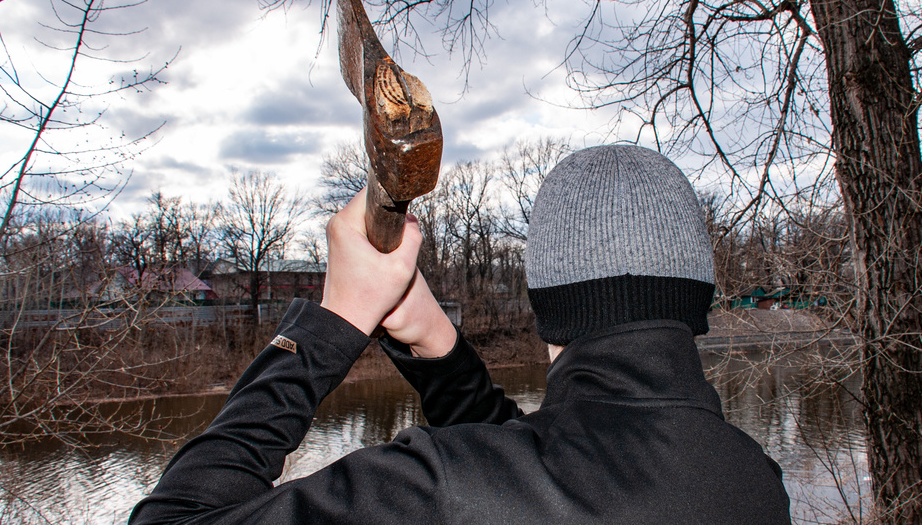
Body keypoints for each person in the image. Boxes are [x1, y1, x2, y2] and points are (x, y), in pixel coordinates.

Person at [129, 144, 791, 524]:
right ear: (697, 298)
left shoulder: (444, 487)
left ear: (549, 309)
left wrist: (333, 324)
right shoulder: (755, 479)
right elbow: (544, 474)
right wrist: (437, 347)